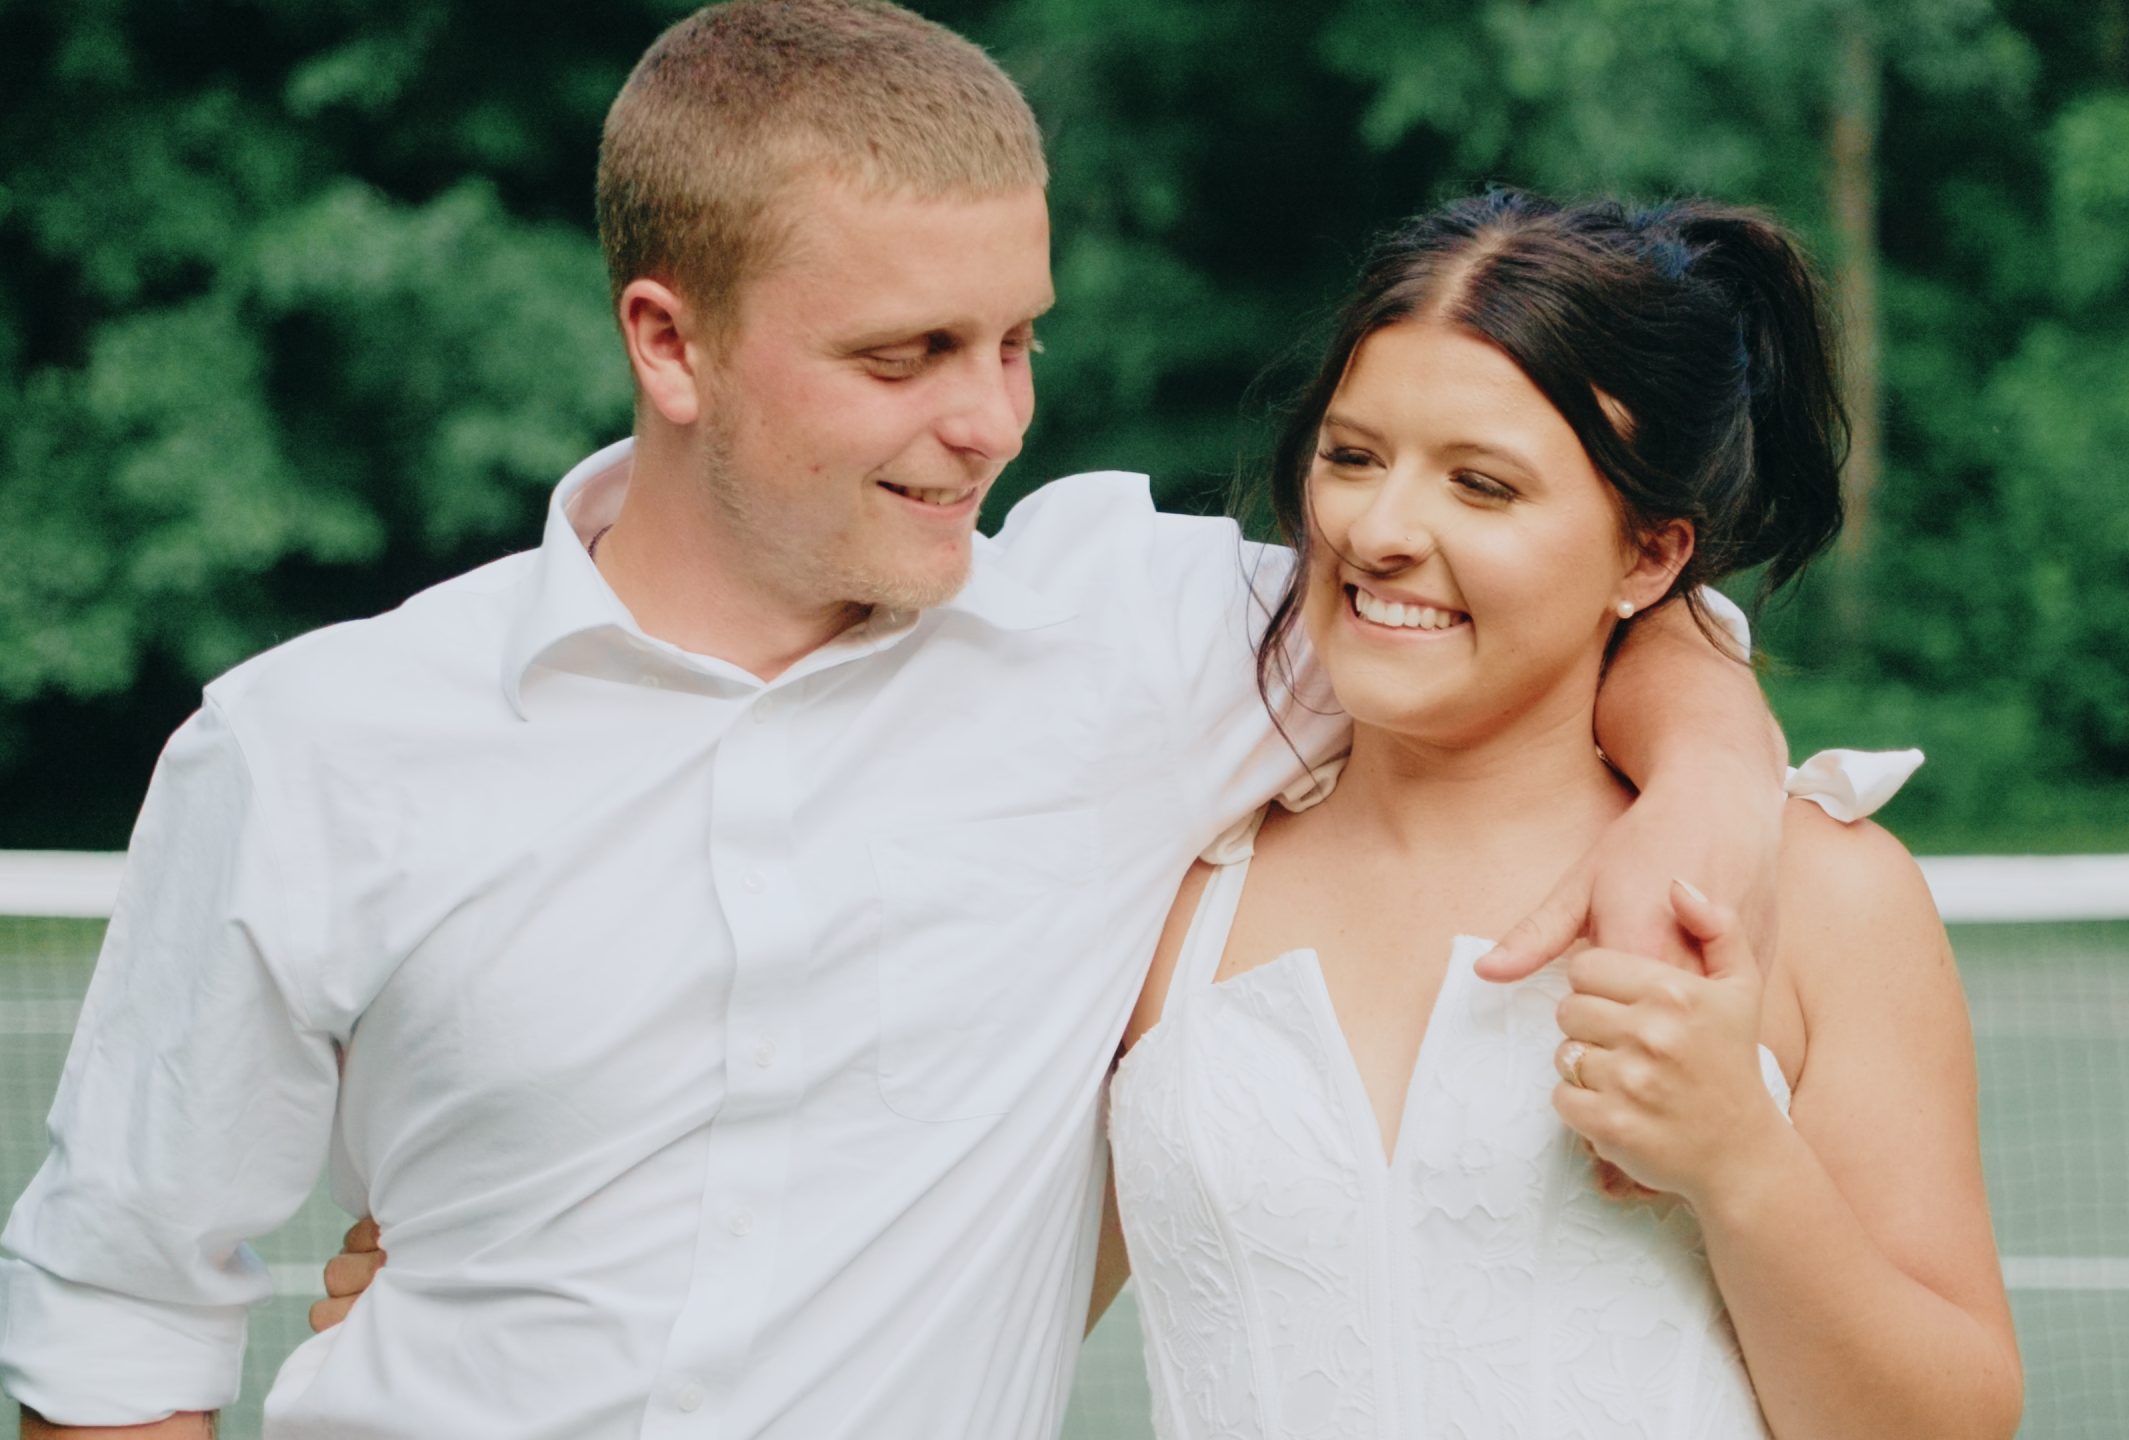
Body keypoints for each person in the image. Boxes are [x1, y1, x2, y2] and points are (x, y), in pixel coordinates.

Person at [0, 5, 1790, 1438]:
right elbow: (115, 1314)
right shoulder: (307, 751)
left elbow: (1556, 599)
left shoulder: (1140, 647)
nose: (991, 419)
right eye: (905, 355)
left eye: (1017, 341)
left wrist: (1704, 785)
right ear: (669, 343)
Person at [1092, 192, 2023, 1437]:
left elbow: (1953, 1422)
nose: (1378, 531)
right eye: (1352, 457)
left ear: (1649, 558)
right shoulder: (1165, 887)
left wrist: (1740, 1163)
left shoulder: (1826, 895)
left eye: (1481, 486)